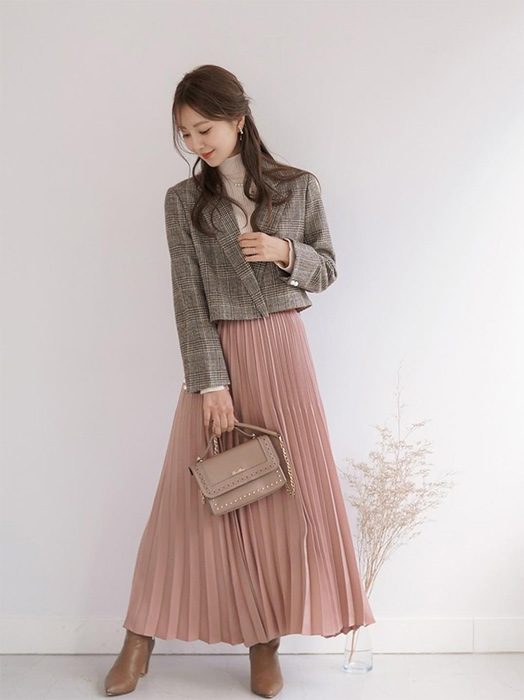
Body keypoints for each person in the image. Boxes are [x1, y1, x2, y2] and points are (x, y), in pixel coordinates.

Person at [104, 64, 375, 697]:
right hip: (219, 355)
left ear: (239, 119)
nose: (196, 143)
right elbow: (188, 299)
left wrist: (285, 252)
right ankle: (139, 639)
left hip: (284, 350)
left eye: (205, 129)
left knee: (281, 498)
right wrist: (211, 384)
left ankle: (265, 643)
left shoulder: (298, 186)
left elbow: (327, 269)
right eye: (186, 133)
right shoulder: (182, 202)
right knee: (187, 498)